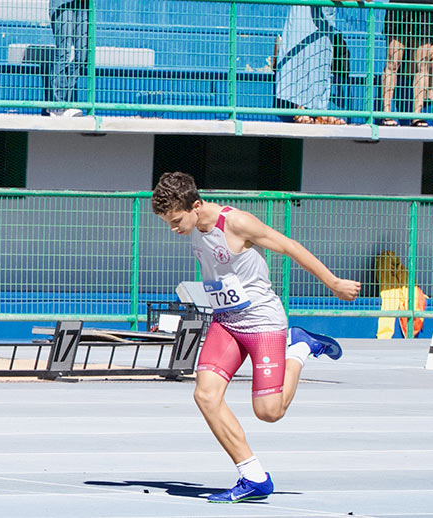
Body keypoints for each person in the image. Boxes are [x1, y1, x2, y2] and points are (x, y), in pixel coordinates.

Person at [151, 171, 361, 503]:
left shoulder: (236, 223)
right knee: (205, 396)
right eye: (168, 223)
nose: (174, 229)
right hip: (226, 322)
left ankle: (300, 346)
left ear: (196, 205)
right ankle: (253, 476)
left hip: (262, 321)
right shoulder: (194, 226)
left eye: (176, 221)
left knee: (269, 412)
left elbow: (289, 247)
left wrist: (333, 282)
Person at [380, 0, 433, 127]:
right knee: (392, 63)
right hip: (399, 6)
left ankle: (417, 115)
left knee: (422, 66)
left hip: (425, 8)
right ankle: (386, 113)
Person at [275, 4, 346, 124]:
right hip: (306, 16)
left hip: (324, 21)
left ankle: (320, 111)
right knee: (301, 56)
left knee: (321, 62)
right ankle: (301, 107)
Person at [44, 0, 89, 117]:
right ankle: (58, 105)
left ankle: (66, 102)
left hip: (83, 5)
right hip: (62, 3)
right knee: (63, 52)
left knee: (83, 56)